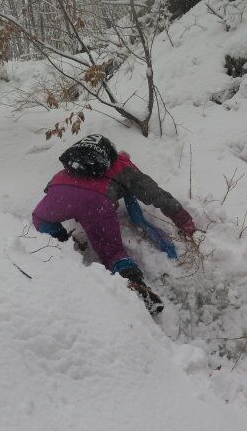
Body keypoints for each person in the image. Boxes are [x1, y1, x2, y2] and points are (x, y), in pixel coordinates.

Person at [32, 134, 196, 314]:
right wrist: (183, 219)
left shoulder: (79, 161)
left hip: (61, 191)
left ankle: (62, 244)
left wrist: (66, 202)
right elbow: (155, 194)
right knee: (114, 254)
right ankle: (134, 284)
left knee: (41, 218)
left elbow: (49, 187)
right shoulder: (125, 167)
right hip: (96, 201)